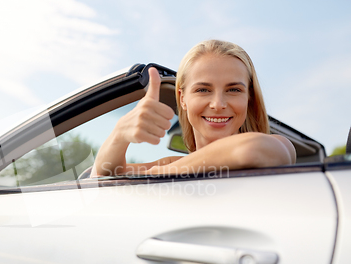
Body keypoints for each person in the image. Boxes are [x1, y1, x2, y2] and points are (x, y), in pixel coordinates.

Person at [91, 40, 296, 177]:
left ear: (249, 98)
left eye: (233, 89)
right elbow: (102, 178)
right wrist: (119, 134)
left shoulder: (275, 144)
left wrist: (156, 175)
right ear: (182, 98)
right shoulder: (173, 163)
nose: (218, 104)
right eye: (203, 90)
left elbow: (253, 150)